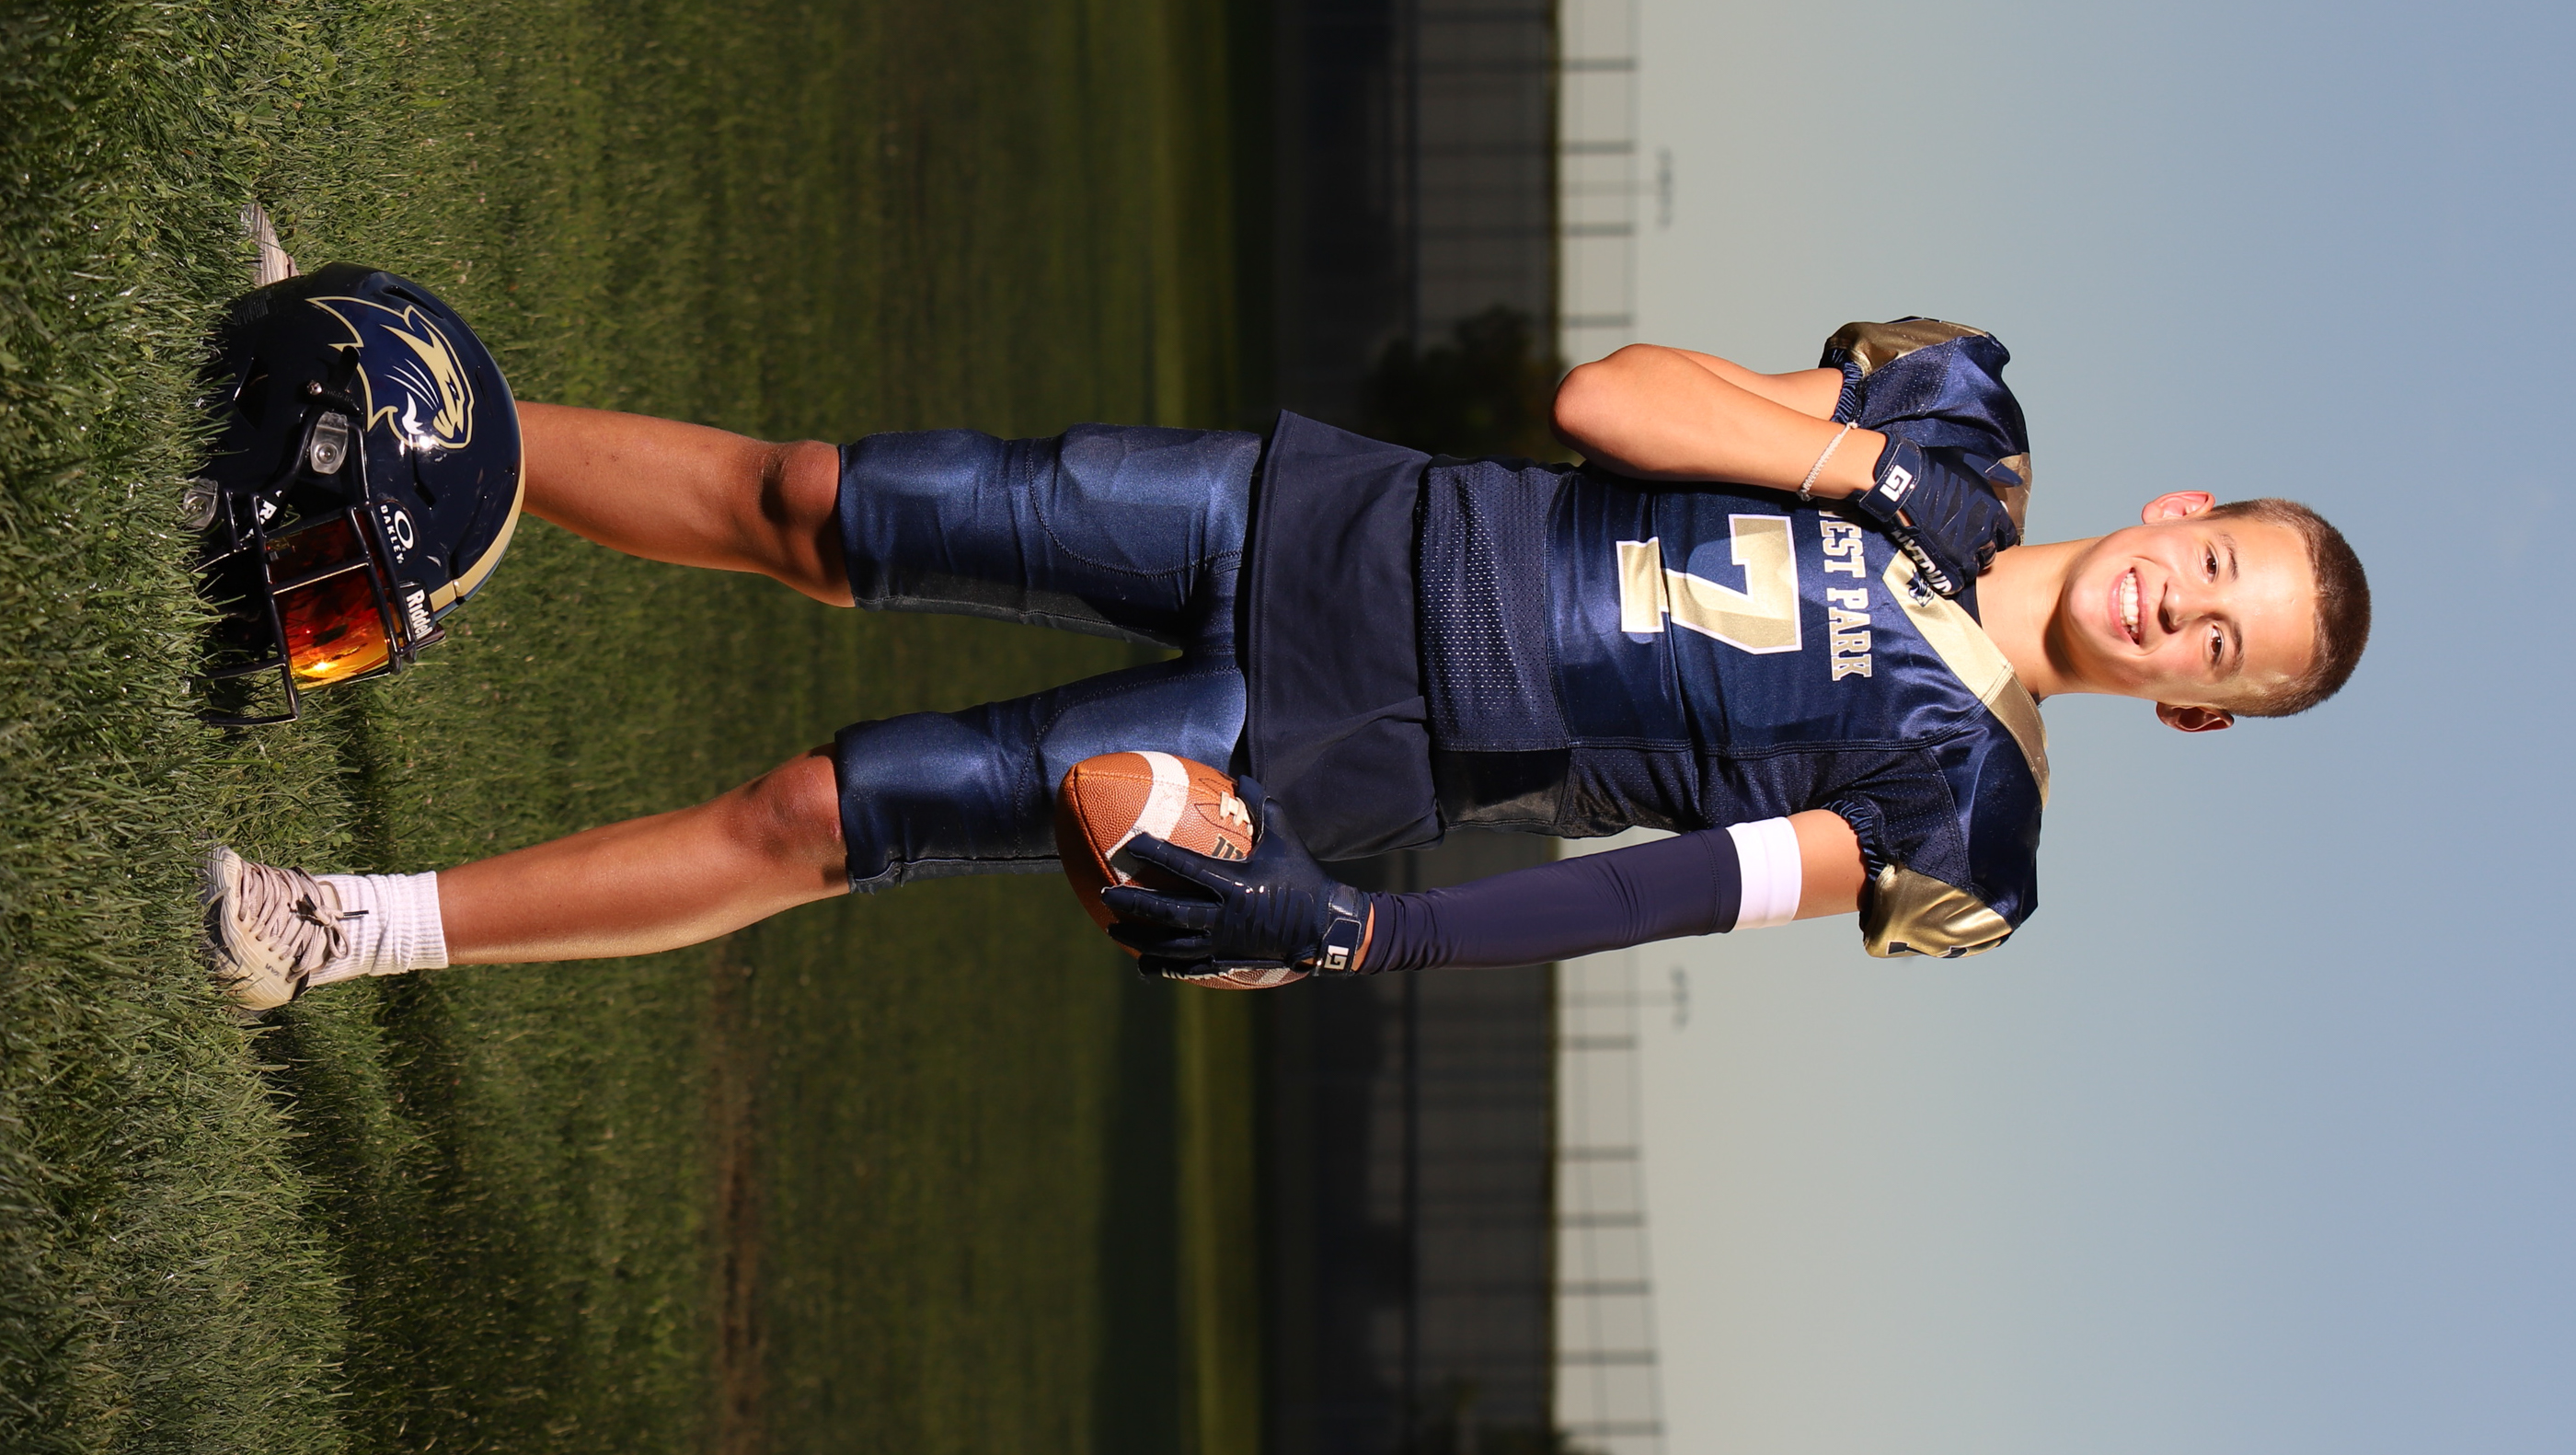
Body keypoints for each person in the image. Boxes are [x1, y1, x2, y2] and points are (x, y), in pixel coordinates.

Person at [201, 318, 2369, 1008]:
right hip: (1329, 515)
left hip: (1344, 732)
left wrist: (1369, 937)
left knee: (825, 812)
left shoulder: (1967, 813)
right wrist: (1869, 473)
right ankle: (404, 434)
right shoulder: (1953, 424)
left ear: (2199, 708)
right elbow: (1604, 397)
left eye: (2222, 650)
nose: (2179, 610)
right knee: (820, 498)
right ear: (2181, 509)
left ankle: (340, 930)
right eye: (2216, 569)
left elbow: (1677, 890)